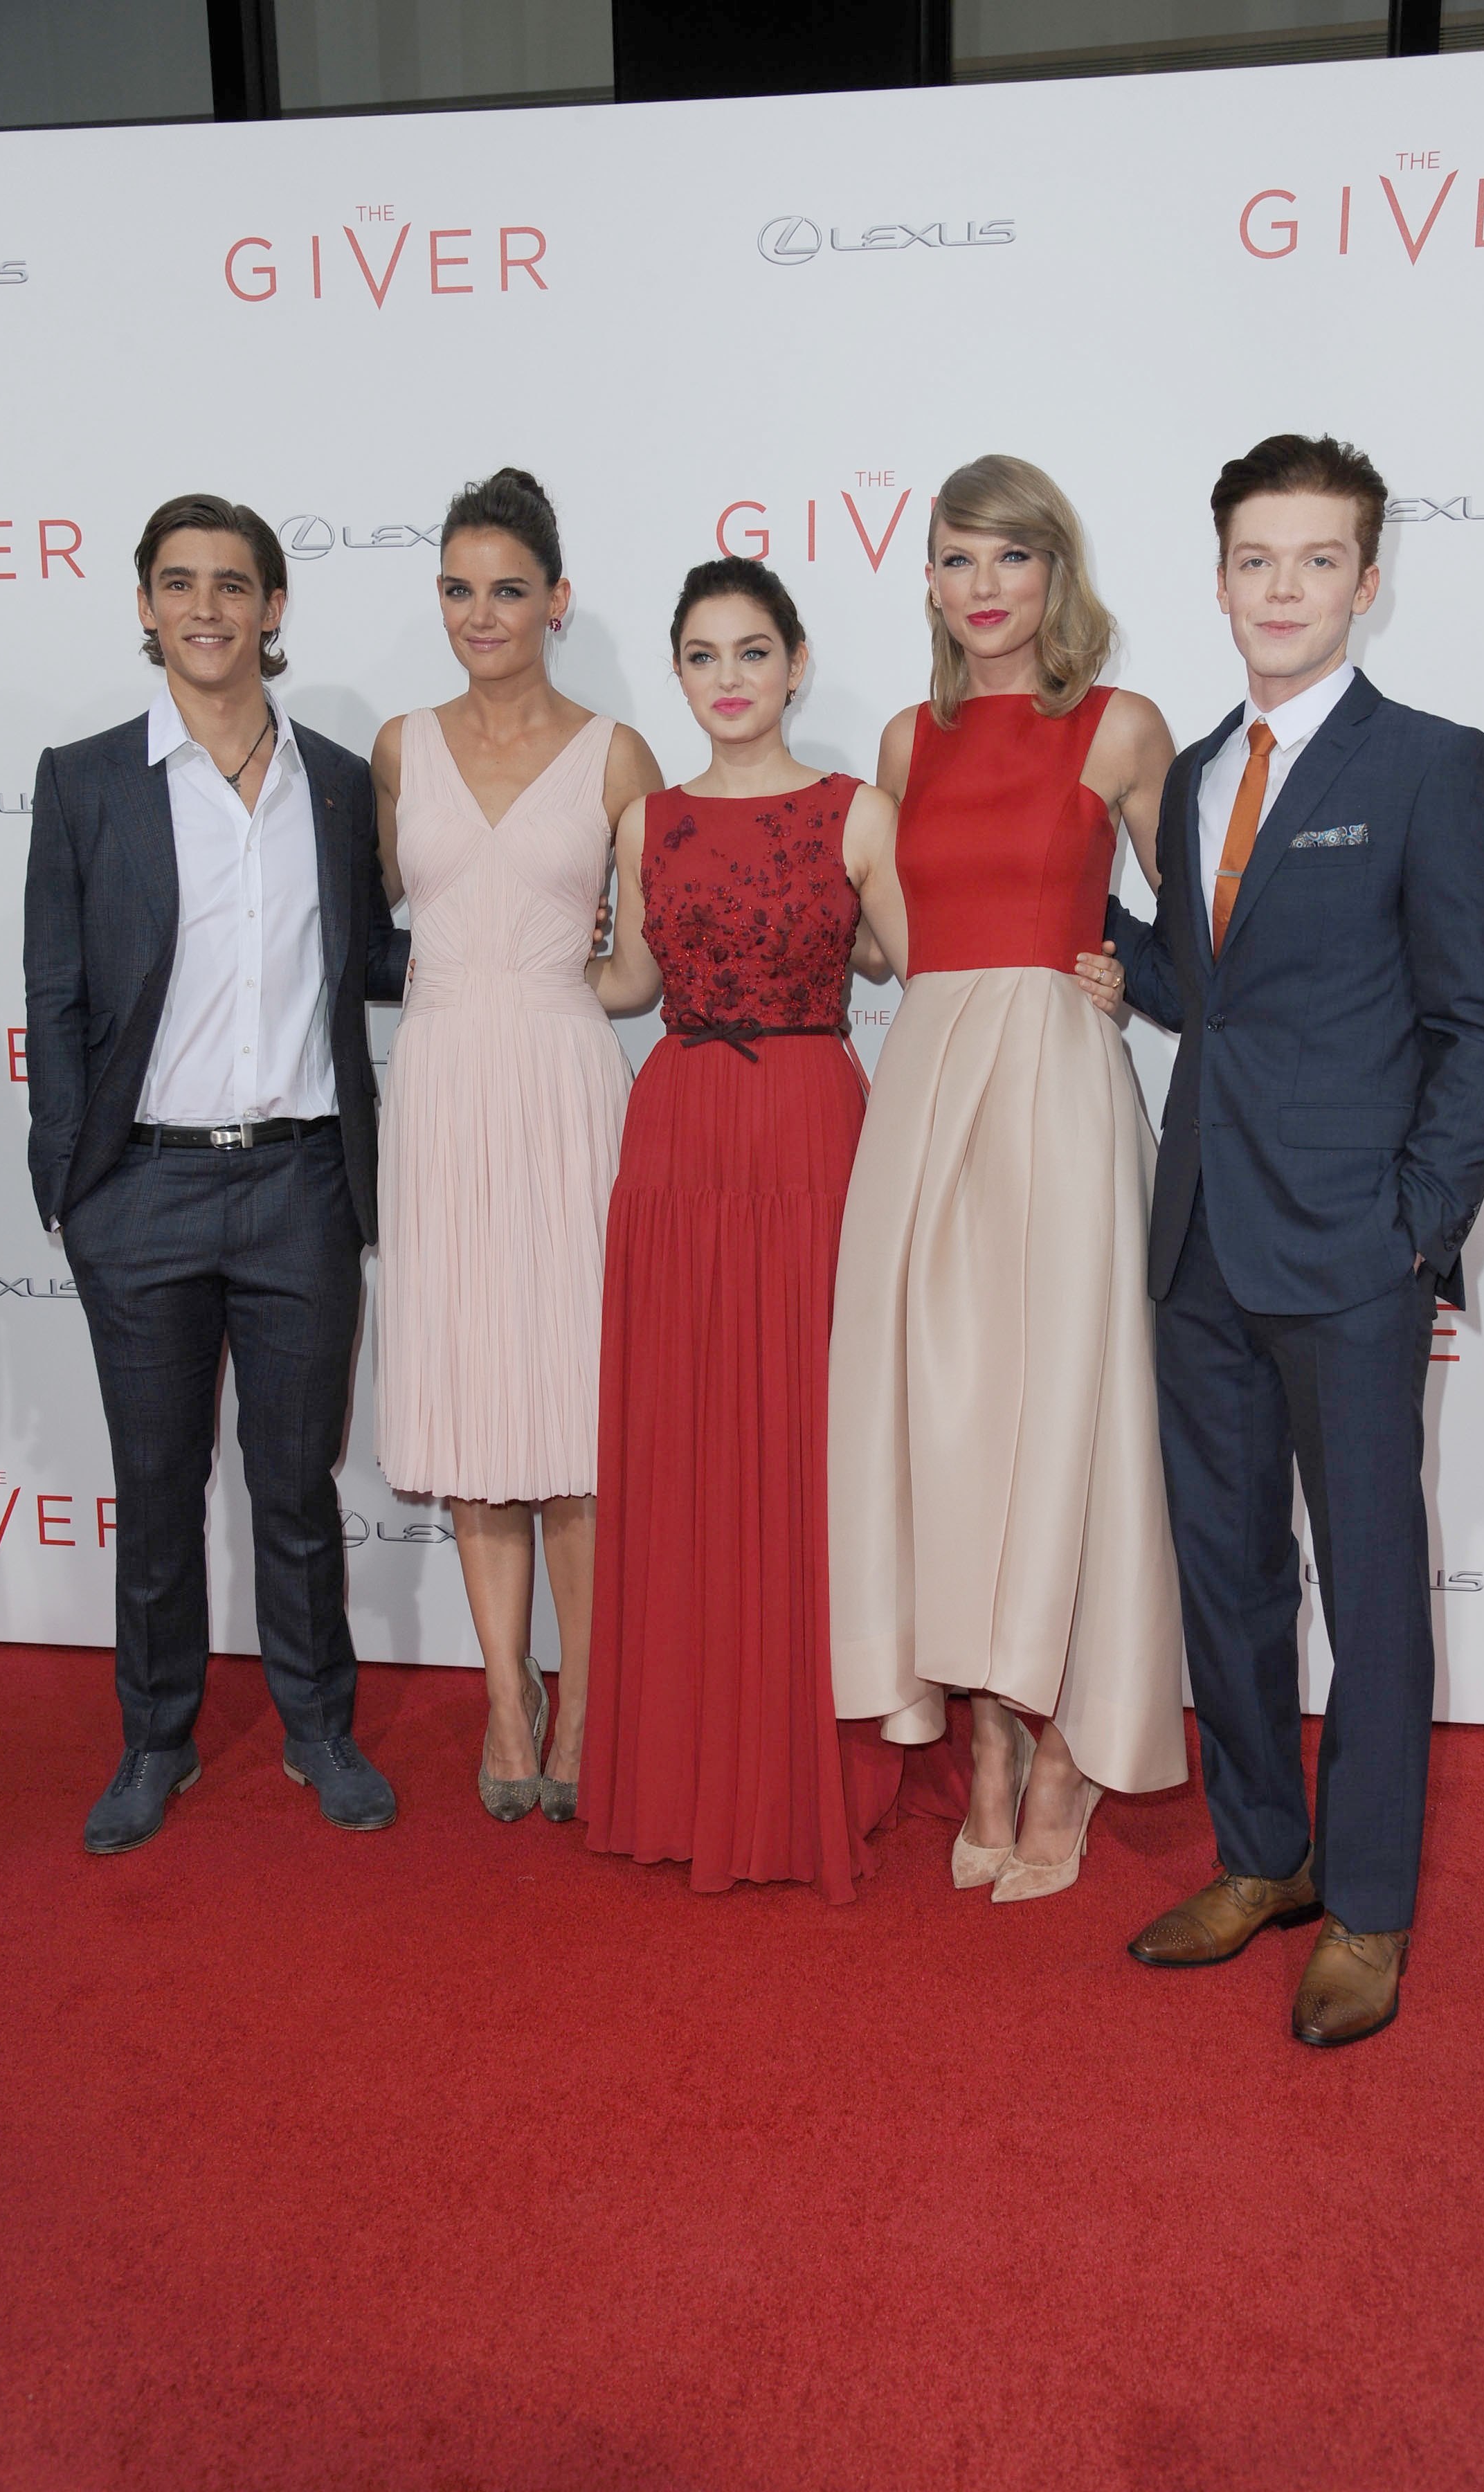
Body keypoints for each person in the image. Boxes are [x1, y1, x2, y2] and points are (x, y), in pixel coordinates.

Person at [1098, 433, 1484, 2045]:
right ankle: (1261, 1859)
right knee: (1225, 1578)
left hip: (1350, 1253)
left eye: (1316, 560)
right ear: (1219, 580)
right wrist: (1091, 940)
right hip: (1198, 1238)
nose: (1282, 589)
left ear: (1367, 580)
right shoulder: (1196, 770)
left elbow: (1482, 1029)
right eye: (1255, 560)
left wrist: (1413, 1228)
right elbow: (1210, 990)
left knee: (1370, 1591)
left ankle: (1366, 1907)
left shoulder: (1431, 765)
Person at [828, 453, 1190, 1904]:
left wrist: (1127, 972)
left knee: (1066, 1412)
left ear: (1057, 571)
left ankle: (1067, 1749)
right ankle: (984, 1732)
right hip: (924, 1092)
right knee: (946, 1423)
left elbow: (1204, 938)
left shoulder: (1121, 726)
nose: (984, 587)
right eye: (958, 560)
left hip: (1055, 1086)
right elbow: (888, 941)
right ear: (928, 581)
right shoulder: (902, 741)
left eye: (1011, 558)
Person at [24, 494, 408, 1853]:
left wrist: (518, 937)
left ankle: (318, 1727)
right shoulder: (85, 781)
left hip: (302, 1185)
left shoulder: (342, 784)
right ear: (145, 605)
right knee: (158, 1488)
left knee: (297, 1486)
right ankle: (156, 1741)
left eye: (232, 584)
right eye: (179, 583)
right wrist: (77, 1191)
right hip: (142, 1193)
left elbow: (374, 960)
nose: (206, 607)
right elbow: (56, 997)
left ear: (272, 608)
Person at [579, 555, 908, 1900]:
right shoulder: (644, 821)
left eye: (753, 652)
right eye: (703, 656)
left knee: (805, 1442)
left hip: (812, 1135)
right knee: (687, 1442)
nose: (729, 679)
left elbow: (921, 969)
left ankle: (798, 1761)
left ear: (796, 664)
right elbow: (629, 982)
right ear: (677, 673)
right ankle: (683, 1762)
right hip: (677, 1142)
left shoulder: (858, 812)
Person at [372, 469, 661, 1824]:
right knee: (476, 1404)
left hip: (560, 1090)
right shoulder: (397, 748)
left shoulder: (616, 756)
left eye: (506, 589)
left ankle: (586, 1701)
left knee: (568, 1415)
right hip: (438, 1092)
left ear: (557, 599)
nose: (479, 614)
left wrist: (547, 984)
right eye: (457, 589)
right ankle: (507, 1698)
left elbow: (639, 971)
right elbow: (384, 916)